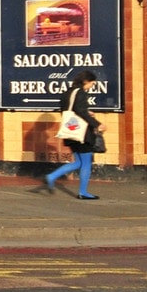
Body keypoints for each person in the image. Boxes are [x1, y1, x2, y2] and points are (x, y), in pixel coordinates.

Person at [41, 69, 105, 200]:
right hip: (82, 134)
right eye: (92, 83)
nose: (91, 86)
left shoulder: (67, 93)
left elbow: (69, 111)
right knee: (86, 162)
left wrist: (85, 112)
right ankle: (83, 192)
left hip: (70, 132)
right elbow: (81, 111)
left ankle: (51, 176)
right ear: (86, 81)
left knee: (78, 162)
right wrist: (97, 124)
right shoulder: (80, 93)